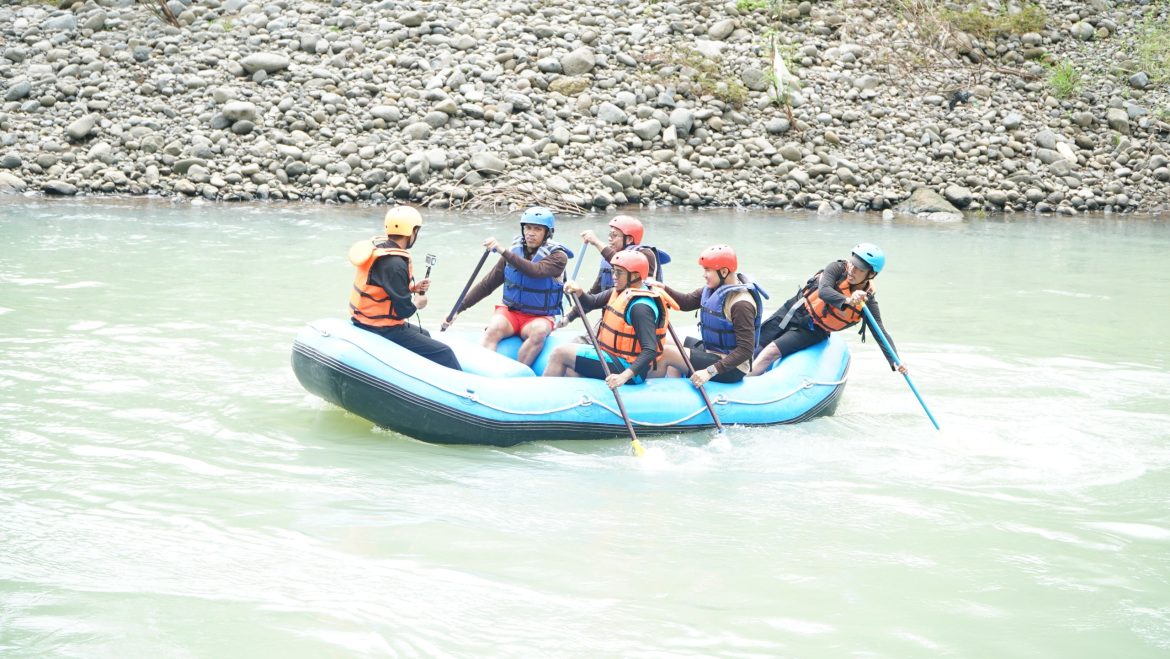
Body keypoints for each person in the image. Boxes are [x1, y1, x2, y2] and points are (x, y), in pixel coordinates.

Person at [750, 243, 906, 376]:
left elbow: (881, 333)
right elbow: (824, 291)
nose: (852, 270)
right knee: (754, 347)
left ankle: (746, 386)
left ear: (871, 274)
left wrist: (895, 361)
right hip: (795, 310)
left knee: (770, 352)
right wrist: (849, 300)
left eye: (860, 269)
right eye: (853, 264)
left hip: (813, 331)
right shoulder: (837, 268)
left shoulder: (867, 303)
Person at [447, 206, 573, 366]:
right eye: (527, 228)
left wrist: (502, 250)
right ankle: (481, 369)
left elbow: (535, 271)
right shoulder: (515, 252)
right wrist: (459, 308)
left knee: (539, 332)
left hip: (540, 317)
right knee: (493, 328)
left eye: (537, 229)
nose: (531, 233)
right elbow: (487, 284)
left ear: (547, 233)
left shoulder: (558, 257)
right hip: (511, 313)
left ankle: (518, 375)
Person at [348, 206, 461, 371]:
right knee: (445, 352)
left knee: (425, 335)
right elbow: (404, 311)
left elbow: (382, 285)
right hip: (381, 328)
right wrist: (418, 303)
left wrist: (413, 288)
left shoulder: (380, 250)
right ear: (412, 231)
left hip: (363, 319)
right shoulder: (395, 263)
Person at [544, 251, 674, 389]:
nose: (613, 276)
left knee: (560, 353)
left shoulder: (640, 307)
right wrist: (579, 291)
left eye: (619, 273)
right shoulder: (620, 291)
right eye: (613, 271)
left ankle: (542, 397)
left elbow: (650, 350)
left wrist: (623, 377)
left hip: (629, 369)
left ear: (635, 275)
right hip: (612, 356)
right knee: (570, 368)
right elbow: (592, 302)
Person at [654, 245, 766, 386]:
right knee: (663, 341)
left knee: (664, 353)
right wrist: (662, 288)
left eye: (707, 270)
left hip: (731, 368)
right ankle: (677, 388)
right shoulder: (714, 289)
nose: (704, 274)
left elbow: (745, 350)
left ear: (724, 271)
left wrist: (710, 371)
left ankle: (653, 391)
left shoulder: (741, 304)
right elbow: (686, 303)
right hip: (712, 352)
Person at [580, 215, 671, 294]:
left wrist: (596, 242)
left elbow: (622, 262)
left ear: (629, 239)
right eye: (609, 234)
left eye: (614, 235)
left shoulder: (645, 255)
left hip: (636, 310)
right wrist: (573, 312)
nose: (609, 239)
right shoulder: (607, 258)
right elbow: (595, 292)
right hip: (614, 309)